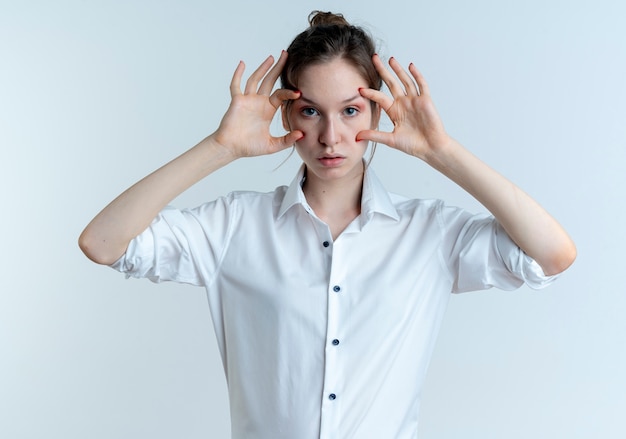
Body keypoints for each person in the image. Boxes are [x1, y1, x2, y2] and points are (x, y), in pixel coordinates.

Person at [79, 11, 576, 439]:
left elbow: (552, 254)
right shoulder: (234, 225)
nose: (331, 136)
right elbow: (102, 243)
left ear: (377, 109)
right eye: (311, 111)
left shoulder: (429, 233)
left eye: (351, 111)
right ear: (287, 110)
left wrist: (441, 152)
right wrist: (221, 147)